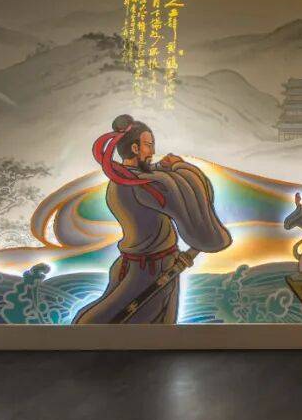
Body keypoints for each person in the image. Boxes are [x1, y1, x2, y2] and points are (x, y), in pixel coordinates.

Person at [73, 114, 232, 324]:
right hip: (152, 272)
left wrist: (162, 168)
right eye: (148, 145)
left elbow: (151, 177)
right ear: (135, 148)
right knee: (142, 331)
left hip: (134, 267)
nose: (153, 152)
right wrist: (181, 166)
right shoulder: (142, 185)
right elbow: (183, 193)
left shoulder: (121, 178)